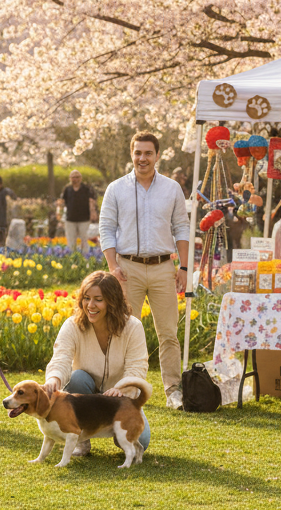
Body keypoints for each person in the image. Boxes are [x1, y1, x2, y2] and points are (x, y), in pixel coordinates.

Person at [99, 132, 190, 410]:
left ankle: (173, 391)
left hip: (164, 267)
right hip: (127, 269)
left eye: (148, 153)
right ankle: (124, 389)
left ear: (157, 156)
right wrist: (113, 267)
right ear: (132, 154)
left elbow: (182, 228)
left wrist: (184, 267)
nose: (142, 158)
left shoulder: (172, 188)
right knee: (125, 331)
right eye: (138, 153)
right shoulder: (116, 188)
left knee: (169, 333)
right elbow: (106, 228)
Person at [43, 270, 152, 456]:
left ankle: (108, 428)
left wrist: (122, 389)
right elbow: (61, 357)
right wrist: (54, 379)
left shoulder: (133, 327)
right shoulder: (72, 325)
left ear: (112, 301)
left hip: (119, 401)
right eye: (86, 298)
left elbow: (137, 367)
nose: (90, 305)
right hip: (85, 396)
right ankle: (81, 441)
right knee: (77, 377)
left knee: (142, 441)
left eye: (98, 299)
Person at [58, 170, 98, 256]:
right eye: (73, 177)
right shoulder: (67, 189)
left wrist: (93, 212)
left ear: (81, 178)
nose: (75, 179)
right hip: (70, 219)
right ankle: (72, 257)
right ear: (70, 179)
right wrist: (59, 213)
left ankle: (85, 257)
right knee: (71, 240)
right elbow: (61, 202)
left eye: (77, 177)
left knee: (84, 239)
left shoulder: (87, 188)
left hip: (84, 219)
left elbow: (91, 201)